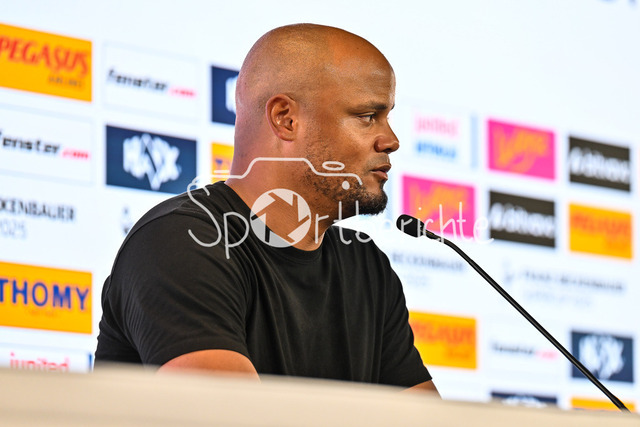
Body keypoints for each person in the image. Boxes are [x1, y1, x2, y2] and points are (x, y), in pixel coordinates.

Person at [95, 23, 438, 394]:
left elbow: (425, 417)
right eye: (367, 116)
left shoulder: (366, 265)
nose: (391, 140)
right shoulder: (183, 240)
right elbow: (230, 413)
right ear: (285, 119)